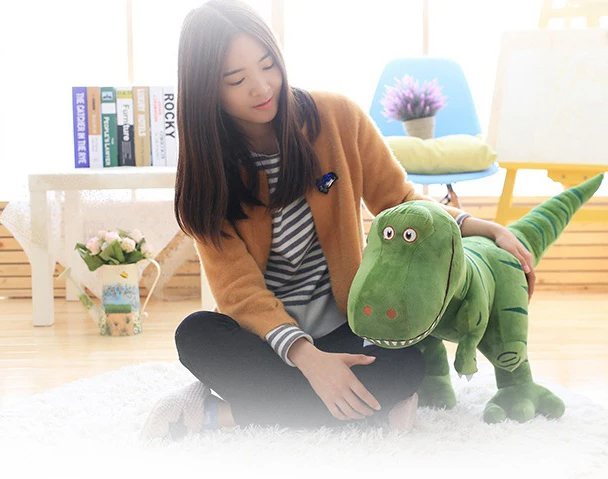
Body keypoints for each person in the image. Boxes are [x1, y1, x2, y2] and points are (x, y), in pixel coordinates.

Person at [140, 0, 536, 440]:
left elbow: (401, 202)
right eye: (236, 80)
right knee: (195, 334)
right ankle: (358, 406)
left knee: (407, 364)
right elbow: (238, 292)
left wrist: (484, 227)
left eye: (268, 65)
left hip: (347, 326)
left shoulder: (337, 118)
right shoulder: (208, 175)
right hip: (268, 339)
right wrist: (309, 361)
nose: (261, 87)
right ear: (206, 90)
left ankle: (220, 413)